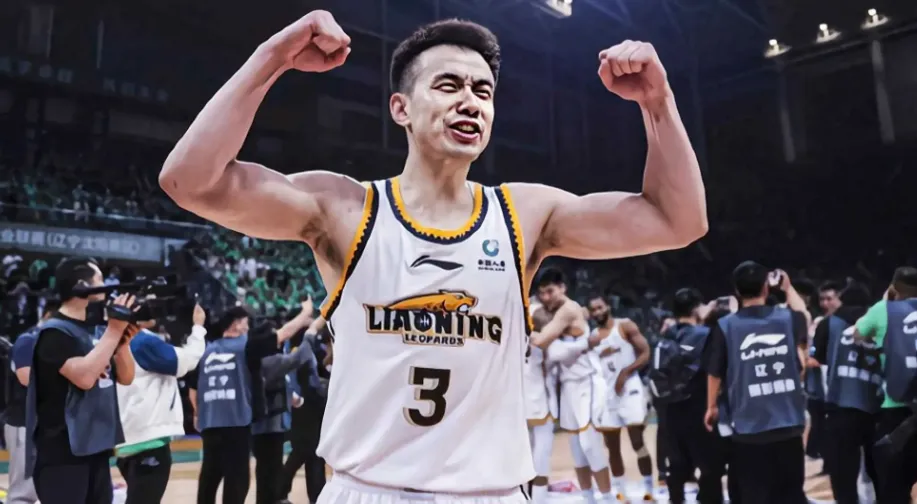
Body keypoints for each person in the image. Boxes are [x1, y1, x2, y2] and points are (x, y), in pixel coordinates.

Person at [160, 10, 707, 502]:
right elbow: (189, 181)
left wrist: (658, 103)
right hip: (368, 490)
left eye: (483, 91)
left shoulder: (525, 214)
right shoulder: (345, 208)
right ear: (400, 108)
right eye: (448, 85)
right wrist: (272, 57)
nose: (470, 101)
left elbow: (677, 221)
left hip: (490, 492)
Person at [25, 257, 136, 504]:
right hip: (62, 454)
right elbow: (84, 378)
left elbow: (126, 377)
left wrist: (122, 345)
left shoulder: (96, 330)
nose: (106, 285)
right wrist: (114, 332)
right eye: (100, 279)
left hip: (95, 448)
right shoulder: (54, 332)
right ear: (82, 286)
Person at [703, 262, 809, 504]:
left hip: (749, 429)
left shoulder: (725, 325)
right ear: (766, 287)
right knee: (791, 496)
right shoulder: (788, 319)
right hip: (788, 425)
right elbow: (803, 314)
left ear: (736, 291)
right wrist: (788, 288)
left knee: (754, 496)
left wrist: (711, 406)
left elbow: (714, 373)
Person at [192, 306, 304, 504]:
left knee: (209, 479)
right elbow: (283, 334)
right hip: (236, 423)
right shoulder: (246, 345)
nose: (248, 327)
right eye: (246, 322)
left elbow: (193, 388)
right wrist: (305, 315)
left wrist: (197, 414)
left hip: (209, 424)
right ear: (236, 324)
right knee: (237, 481)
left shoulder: (206, 349)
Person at [532, 270, 612, 504]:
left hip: (587, 381)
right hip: (567, 385)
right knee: (577, 449)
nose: (546, 297)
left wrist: (523, 330)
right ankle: (589, 499)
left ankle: (608, 499)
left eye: (550, 291)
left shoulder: (567, 310)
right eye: (542, 293)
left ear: (563, 288)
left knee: (590, 445)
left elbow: (541, 341)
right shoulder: (549, 309)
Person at [115, 303, 208, 504]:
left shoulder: (113, 340)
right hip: (148, 441)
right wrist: (199, 328)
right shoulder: (143, 341)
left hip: (127, 441)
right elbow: (188, 360)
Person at [811, 282, 880, 504]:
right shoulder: (879, 324)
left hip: (840, 405)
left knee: (843, 474)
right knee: (878, 471)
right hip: (875, 407)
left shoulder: (828, 323)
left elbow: (818, 359)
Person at [653, 289, 723, 504]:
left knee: (677, 464)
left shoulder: (666, 335)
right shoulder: (707, 334)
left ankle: (676, 500)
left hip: (671, 408)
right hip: (699, 406)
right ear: (695, 309)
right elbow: (716, 369)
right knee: (710, 464)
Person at [854, 266, 917, 504]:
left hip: (897, 408)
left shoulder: (884, 310)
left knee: (893, 485)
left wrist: (885, 301)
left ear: (894, 288)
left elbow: (858, 334)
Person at [586, 295, 654, 501]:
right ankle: (621, 492)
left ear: (607, 306)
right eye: (593, 309)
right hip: (607, 393)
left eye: (600, 307)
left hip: (630, 388)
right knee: (612, 446)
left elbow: (645, 352)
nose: (597, 312)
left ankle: (649, 489)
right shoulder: (592, 337)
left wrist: (626, 372)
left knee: (637, 441)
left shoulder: (624, 326)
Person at [252, 302, 317, 504]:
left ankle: (272, 499)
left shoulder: (256, 359)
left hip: (261, 426)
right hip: (269, 427)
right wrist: (310, 333)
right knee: (271, 470)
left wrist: (293, 398)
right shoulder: (271, 361)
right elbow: (299, 357)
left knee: (267, 471)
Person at [5, 303, 56, 504]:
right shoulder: (28, 340)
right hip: (23, 422)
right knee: (23, 492)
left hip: (45, 422)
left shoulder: (57, 342)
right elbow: (26, 378)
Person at [280, 316, 330, 504]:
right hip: (305, 407)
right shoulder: (301, 350)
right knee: (303, 452)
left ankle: (315, 496)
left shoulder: (303, 349)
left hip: (307, 408)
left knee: (311, 455)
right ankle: (279, 491)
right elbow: (309, 384)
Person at [522, 301, 560, 504]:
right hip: (539, 403)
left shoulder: (513, 339)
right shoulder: (545, 341)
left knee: (530, 461)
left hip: (525, 405)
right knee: (538, 462)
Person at [805, 281, 844, 465]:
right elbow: (814, 356)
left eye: (829, 299)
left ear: (840, 299)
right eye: (822, 299)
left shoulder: (848, 322)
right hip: (820, 385)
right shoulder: (819, 323)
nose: (825, 303)